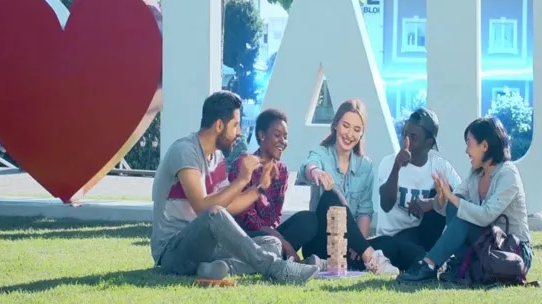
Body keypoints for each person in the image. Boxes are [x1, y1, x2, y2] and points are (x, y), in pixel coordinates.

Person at [151, 91, 319, 284]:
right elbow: (203, 208)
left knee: (272, 243)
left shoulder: (217, 158)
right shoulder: (185, 151)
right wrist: (241, 180)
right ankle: (278, 269)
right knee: (214, 213)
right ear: (219, 126)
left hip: (208, 247)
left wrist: (259, 188)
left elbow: (228, 206)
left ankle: (220, 267)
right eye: (235, 125)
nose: (239, 132)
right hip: (172, 251)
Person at [397, 117, 533, 283]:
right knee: (456, 208)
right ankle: (456, 264)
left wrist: (451, 197)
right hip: (488, 245)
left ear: (484, 146)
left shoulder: (508, 173)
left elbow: (485, 216)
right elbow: (452, 205)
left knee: (464, 216)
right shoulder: (476, 174)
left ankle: (429, 265)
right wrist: (442, 198)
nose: (466, 151)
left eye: (469, 143)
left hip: (513, 252)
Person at [297, 99, 405, 275]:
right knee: (331, 196)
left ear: (362, 134)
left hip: (348, 242)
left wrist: (358, 245)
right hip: (321, 241)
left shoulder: (366, 166)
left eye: (356, 129)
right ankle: (370, 258)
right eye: (345, 126)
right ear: (335, 125)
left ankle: (329, 263)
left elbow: (364, 211)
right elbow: (307, 167)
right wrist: (316, 171)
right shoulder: (322, 153)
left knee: (389, 243)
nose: (349, 134)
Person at [231, 108, 319, 262]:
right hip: (246, 235)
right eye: (277, 135)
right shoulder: (244, 164)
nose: (283, 141)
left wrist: (279, 238)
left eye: (285, 137)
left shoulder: (282, 170)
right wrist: (284, 243)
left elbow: (276, 216)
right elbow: (247, 218)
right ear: (262, 135)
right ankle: (278, 256)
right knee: (271, 240)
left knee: (309, 220)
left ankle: (276, 255)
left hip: (272, 235)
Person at [377, 108, 462, 252]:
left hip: (422, 239)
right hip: (391, 239)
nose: (406, 141)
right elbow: (386, 205)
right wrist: (396, 168)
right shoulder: (388, 162)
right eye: (405, 134)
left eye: (413, 137)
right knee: (403, 249)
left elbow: (463, 199)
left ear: (428, 143)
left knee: (442, 191)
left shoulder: (440, 166)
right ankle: (424, 259)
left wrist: (432, 202)